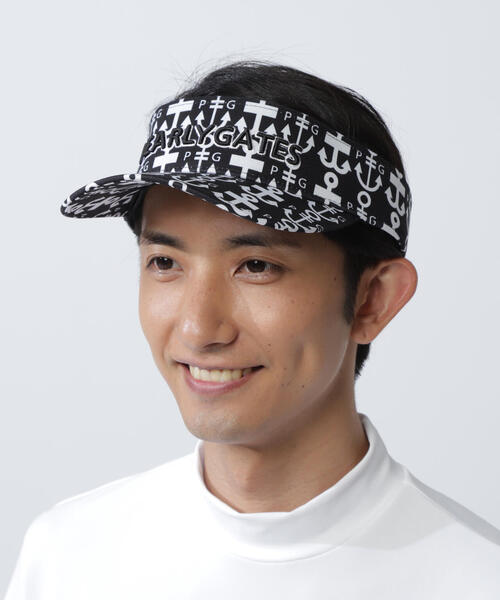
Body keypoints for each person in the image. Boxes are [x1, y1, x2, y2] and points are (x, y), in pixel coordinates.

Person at [4, 60, 500, 599]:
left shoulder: (475, 579)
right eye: (165, 262)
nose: (198, 328)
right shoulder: (69, 558)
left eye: (257, 266)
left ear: (372, 299)